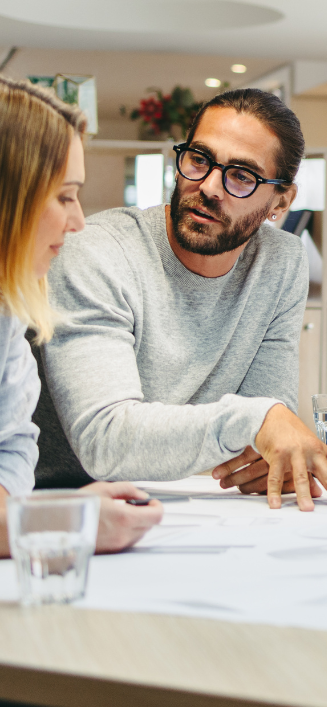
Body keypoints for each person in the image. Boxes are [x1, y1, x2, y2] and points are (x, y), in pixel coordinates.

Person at [33, 88, 327, 512]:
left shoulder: (281, 262)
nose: (208, 187)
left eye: (242, 176)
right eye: (199, 159)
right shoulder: (97, 251)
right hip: (56, 505)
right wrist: (256, 422)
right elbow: (105, 441)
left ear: (282, 201)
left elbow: (260, 447)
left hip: (182, 506)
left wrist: (262, 436)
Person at [0, 77, 162, 558]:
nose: (78, 222)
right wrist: (52, 525)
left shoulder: (9, 313)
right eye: (65, 196)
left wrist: (19, 522)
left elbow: (12, 444)